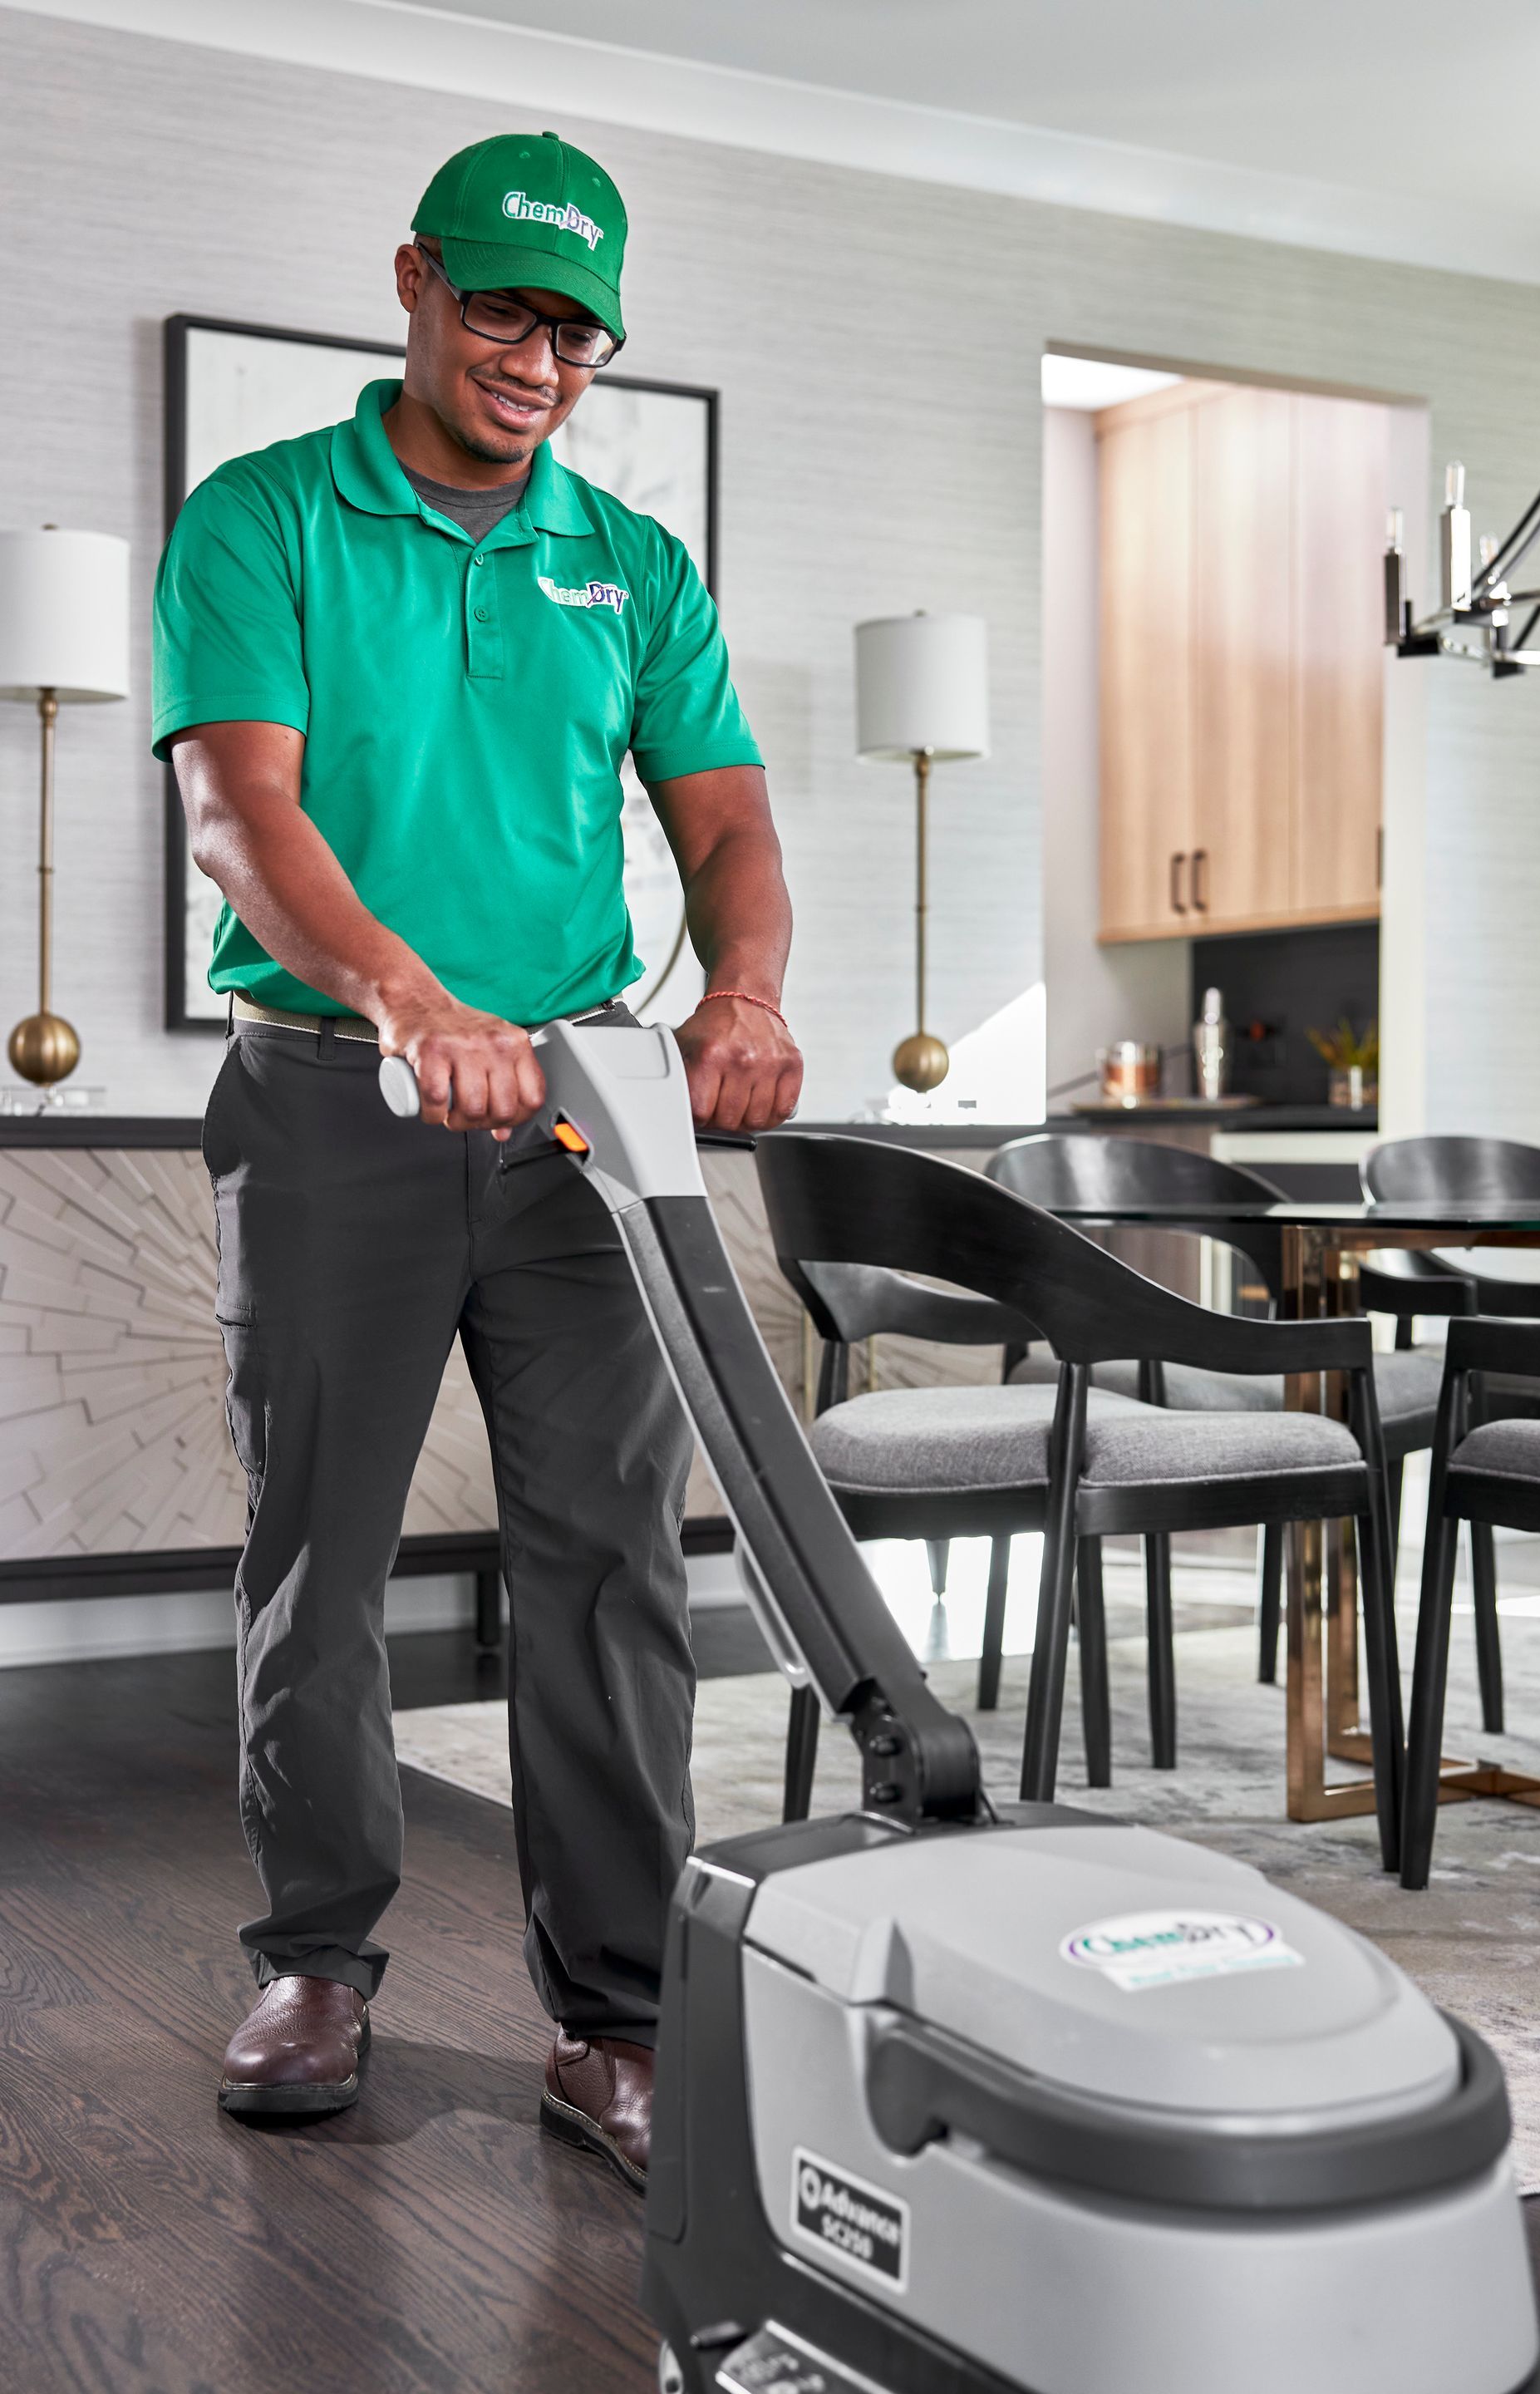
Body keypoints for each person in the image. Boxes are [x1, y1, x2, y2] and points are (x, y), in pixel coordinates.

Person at [151, 131, 801, 2185]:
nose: (540, 361)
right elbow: (239, 809)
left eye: (580, 333)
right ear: (417, 280)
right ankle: (315, 1962)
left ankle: (618, 2016)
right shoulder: (264, 517)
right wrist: (409, 1002)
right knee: (319, 1547)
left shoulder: (636, 562)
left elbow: (725, 824)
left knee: (608, 1562)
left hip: (582, 1117)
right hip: (329, 1096)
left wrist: (746, 993)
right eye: (508, 311)